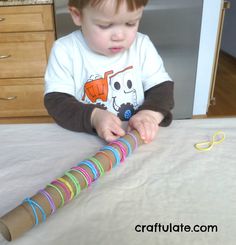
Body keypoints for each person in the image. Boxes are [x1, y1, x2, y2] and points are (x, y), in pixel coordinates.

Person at [44, 0, 174, 144]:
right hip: (85, 141)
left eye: (131, 24)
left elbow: (161, 88)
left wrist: (149, 115)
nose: (119, 36)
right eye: (105, 25)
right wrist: (93, 117)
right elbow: (57, 102)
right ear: (77, 15)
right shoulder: (65, 50)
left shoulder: (142, 45)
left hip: (137, 140)